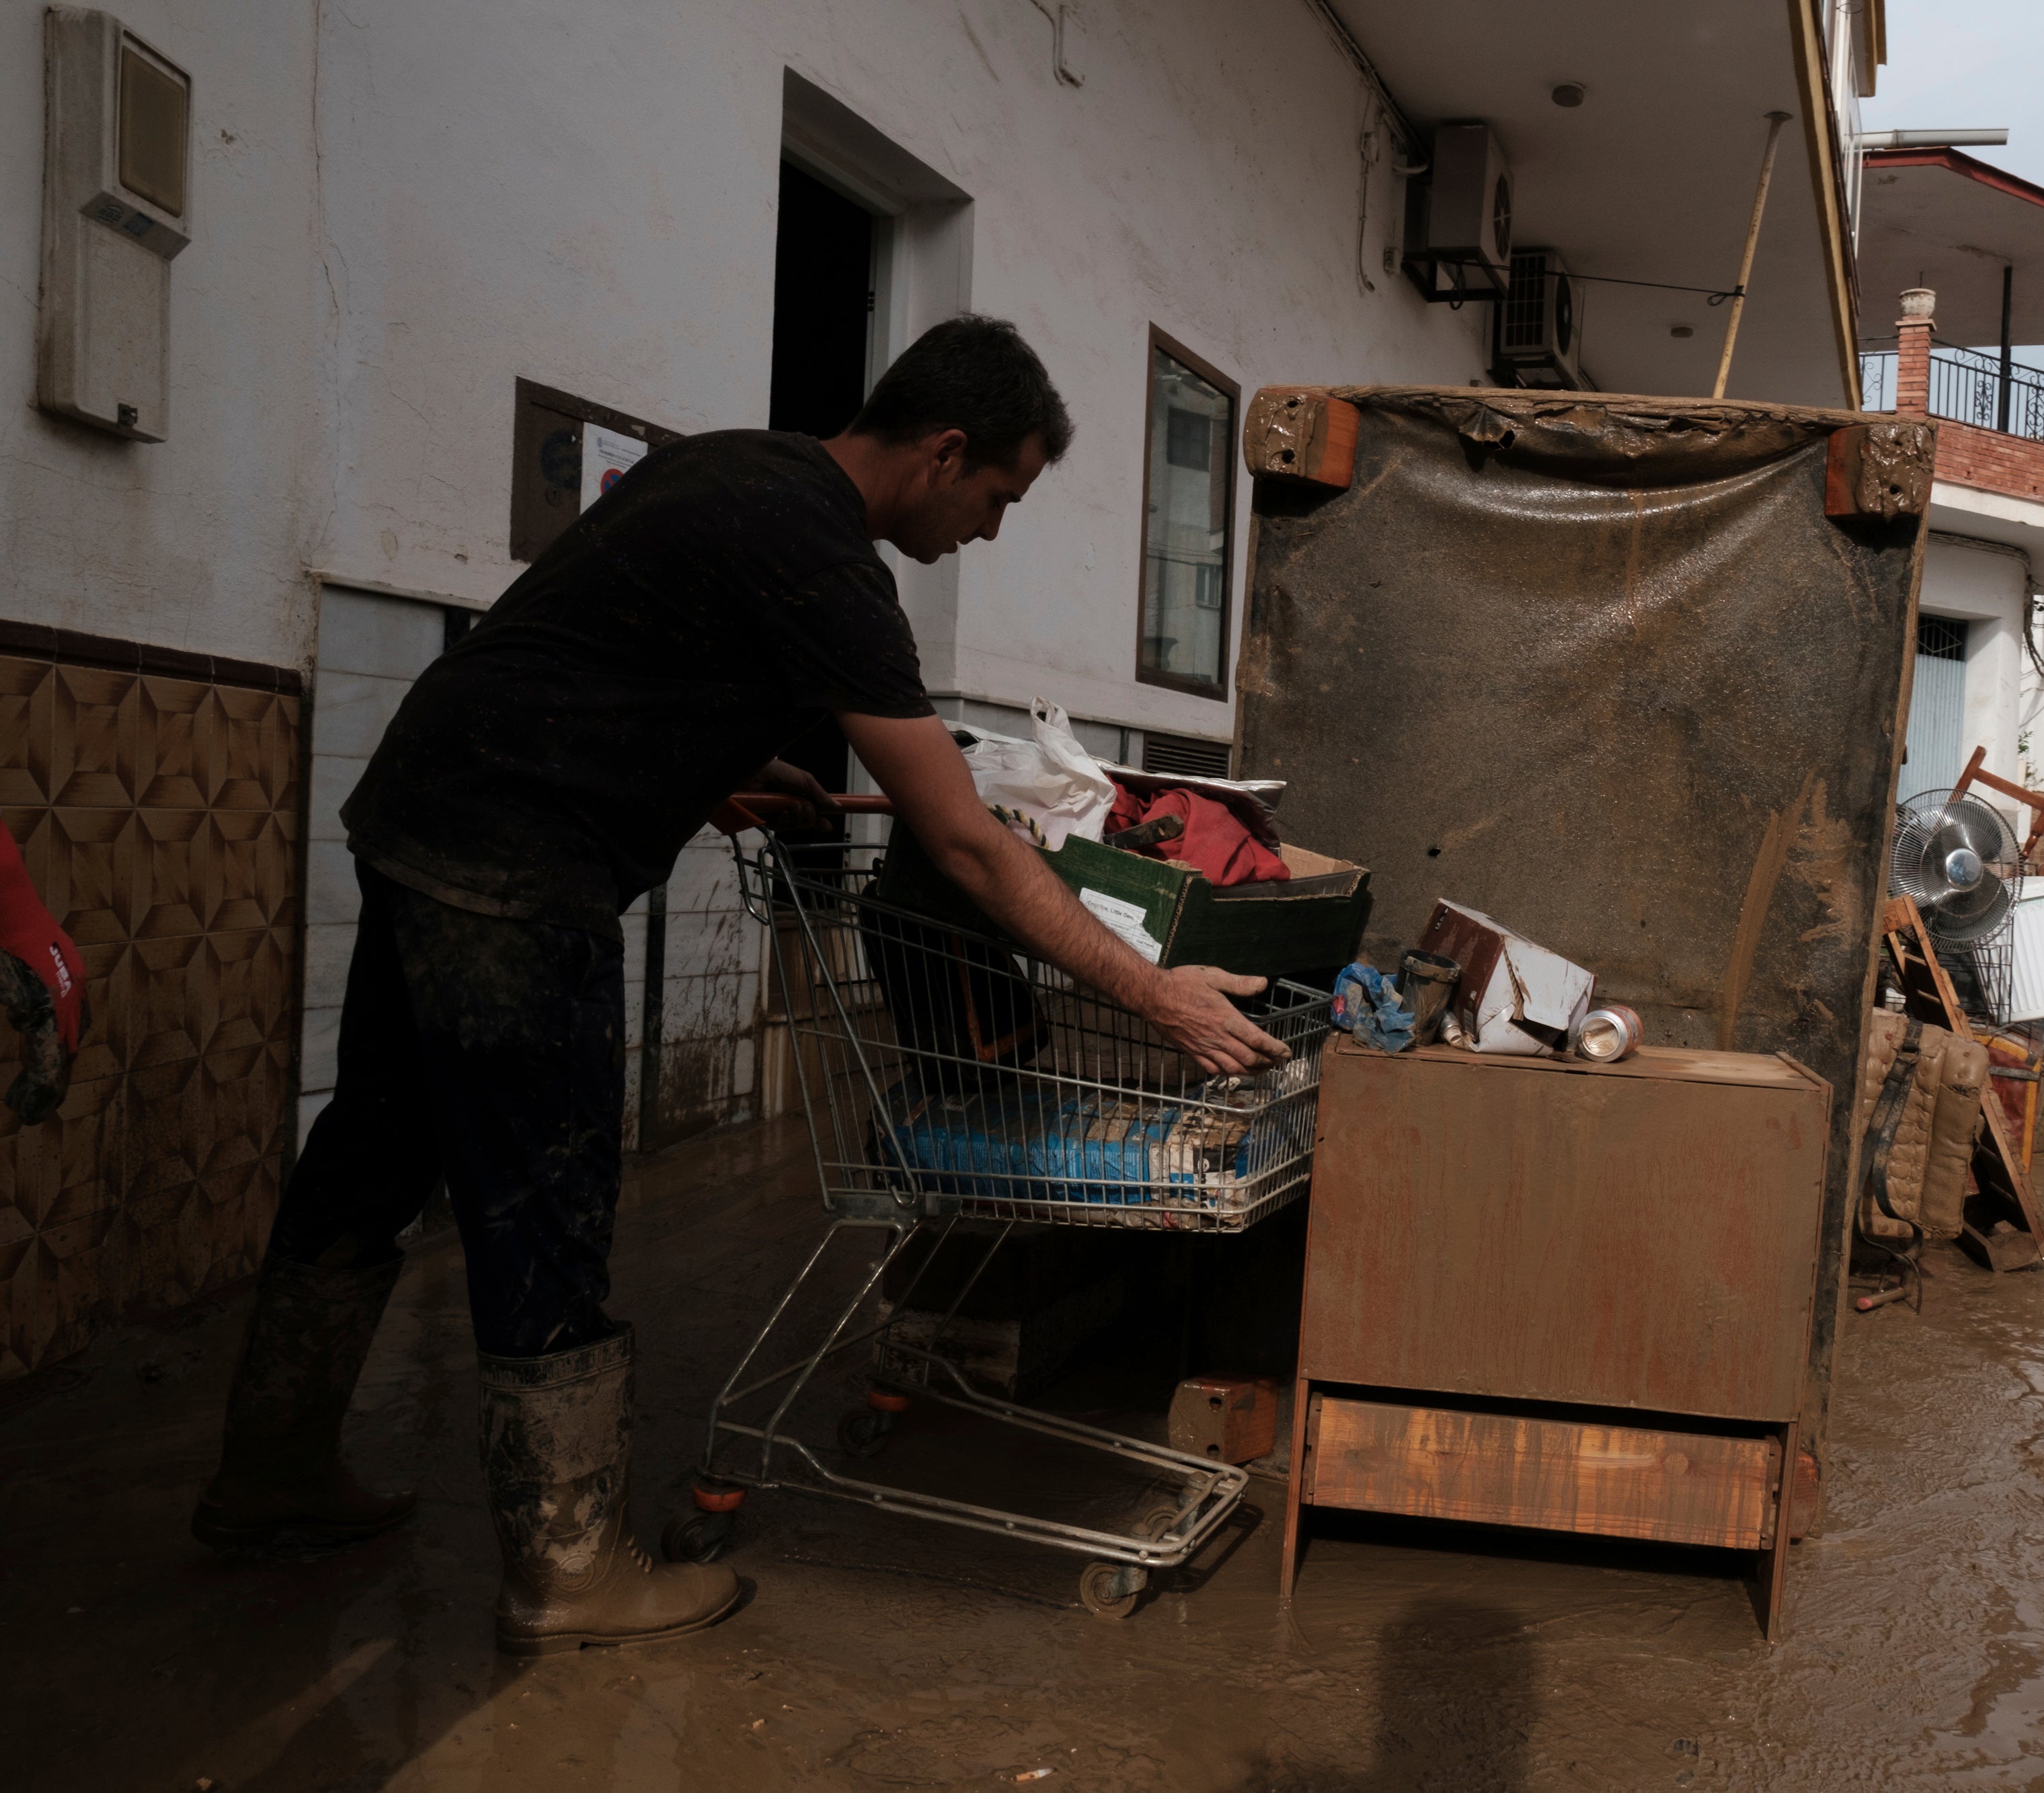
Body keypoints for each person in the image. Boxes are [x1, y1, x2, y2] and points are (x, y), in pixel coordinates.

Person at [192, 317, 1288, 1657]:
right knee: (546, 1198)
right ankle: (570, 1572)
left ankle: (269, 1473)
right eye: (999, 495)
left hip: (425, 816)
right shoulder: (824, 559)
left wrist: (701, 766)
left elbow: (607, 655)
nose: (992, 530)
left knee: (369, 1152)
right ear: (943, 453)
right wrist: (1151, 989)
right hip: (518, 870)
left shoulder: (737, 469)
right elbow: (958, 837)